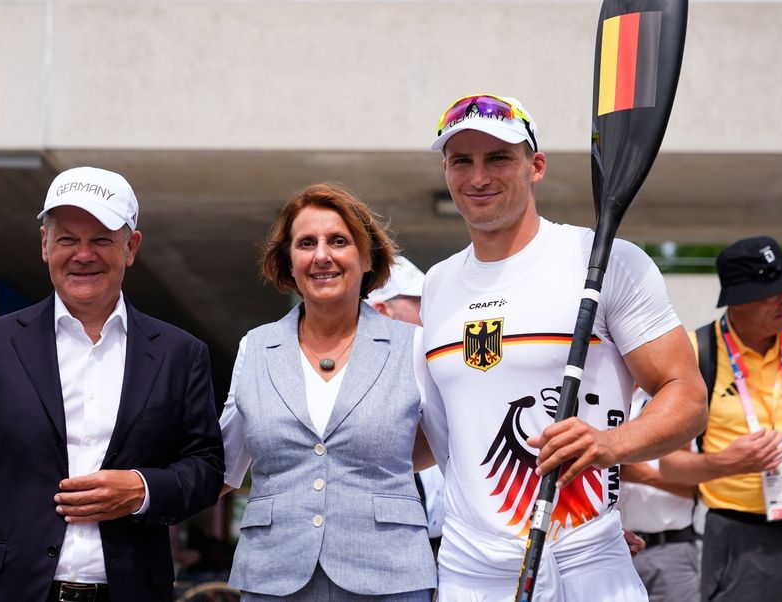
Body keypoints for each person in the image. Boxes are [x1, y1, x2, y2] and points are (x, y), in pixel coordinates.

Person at [416, 93, 707, 600]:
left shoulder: (604, 260)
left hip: (585, 562)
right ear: (446, 170)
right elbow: (442, 435)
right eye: (461, 161)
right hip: (469, 574)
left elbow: (687, 396)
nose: (478, 177)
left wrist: (612, 445)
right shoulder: (438, 285)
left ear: (536, 166)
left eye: (498, 157)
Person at [0, 166, 225, 602]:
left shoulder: (181, 353)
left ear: (131, 247)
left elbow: (207, 468)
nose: (84, 255)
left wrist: (141, 489)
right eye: (67, 239)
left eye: (101, 239)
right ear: (45, 245)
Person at [219, 183, 437, 599]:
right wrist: (147, 492)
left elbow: (441, 449)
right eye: (306, 243)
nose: (322, 255)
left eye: (339, 241)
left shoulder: (411, 344)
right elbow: (225, 463)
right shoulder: (256, 346)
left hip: (389, 575)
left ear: (367, 256)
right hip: (272, 577)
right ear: (289, 260)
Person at [658, 236, 782, 602]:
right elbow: (671, 467)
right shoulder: (697, 352)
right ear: (739, 298)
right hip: (742, 541)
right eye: (774, 293)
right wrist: (725, 463)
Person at [366, 255, 447, 553]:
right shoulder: (360, 392)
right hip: (388, 555)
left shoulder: (437, 372)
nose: (430, 314)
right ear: (382, 311)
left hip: (444, 552)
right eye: (418, 304)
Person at [619, 389, 700, 601]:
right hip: (613, 551)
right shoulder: (619, 397)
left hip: (669, 553)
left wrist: (643, 476)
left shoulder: (680, 402)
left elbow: (708, 488)